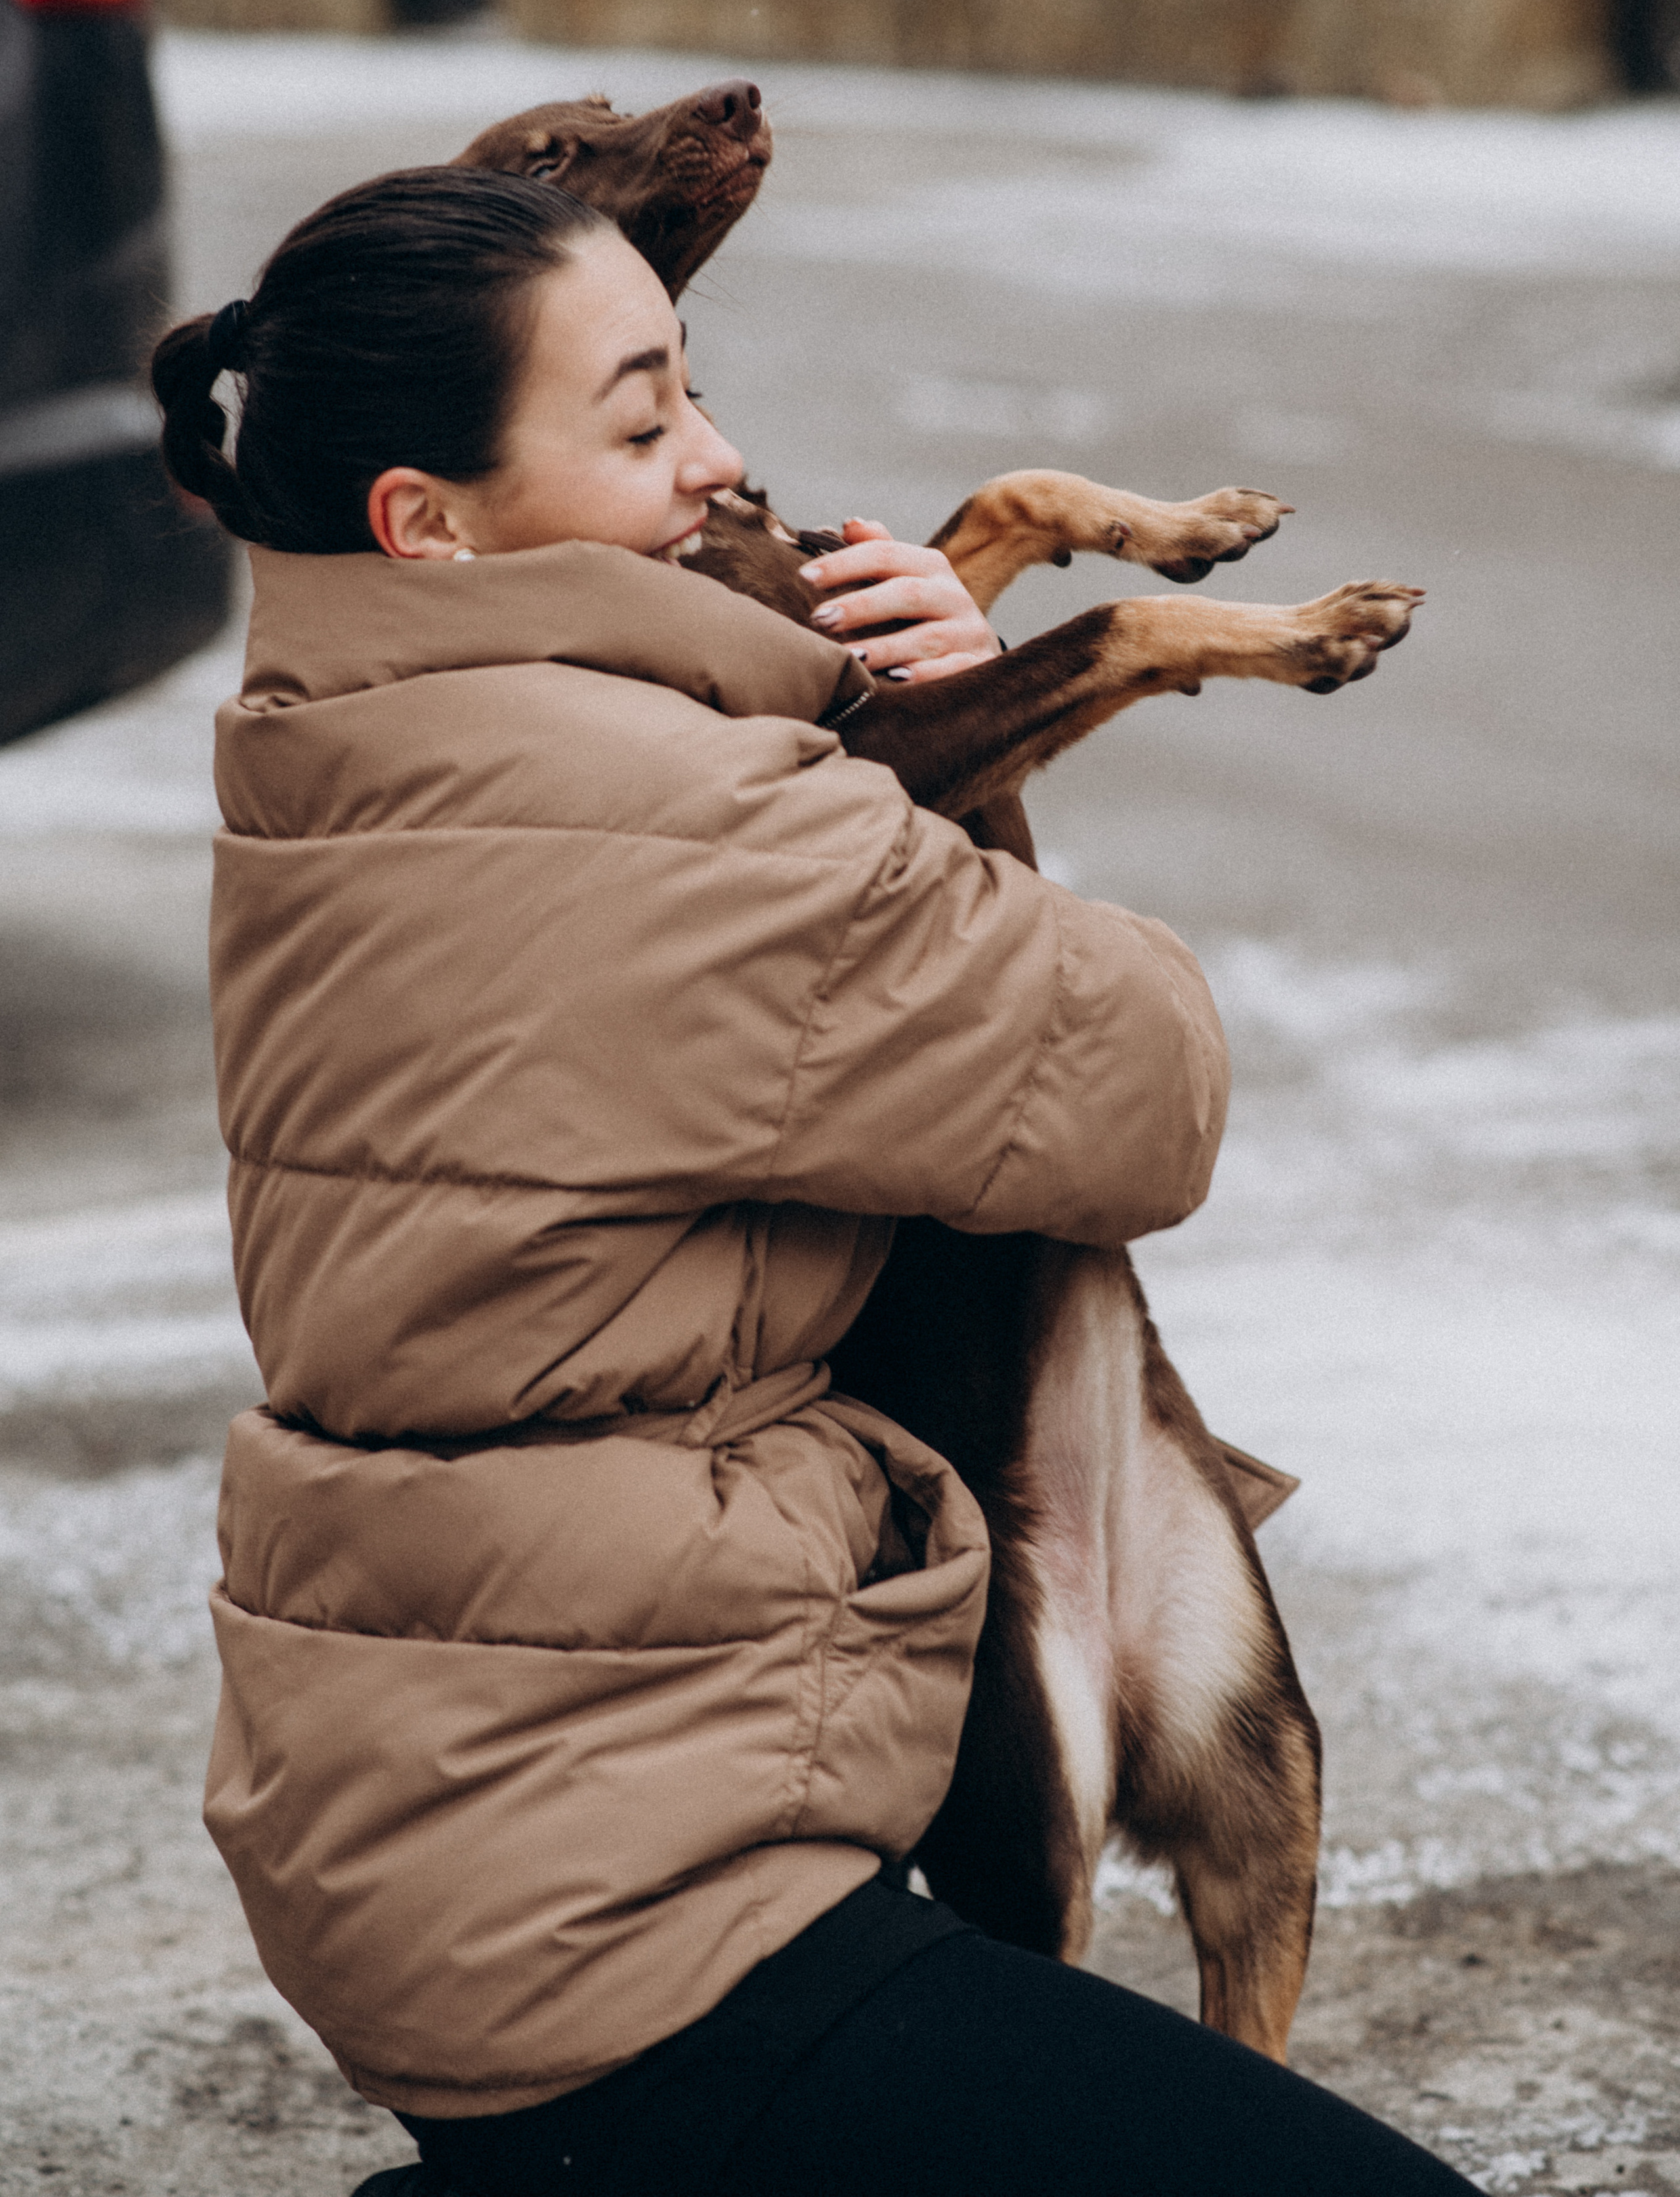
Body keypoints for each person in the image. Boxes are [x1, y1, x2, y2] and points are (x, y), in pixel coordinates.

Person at [153, 165, 1477, 2196]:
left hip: (424, 1835)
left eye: (694, 388)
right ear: (432, 520)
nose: (722, 457)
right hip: (642, 1922)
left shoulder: (327, 745)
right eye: (642, 417)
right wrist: (963, 733)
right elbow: (1145, 1086)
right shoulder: (671, 822)